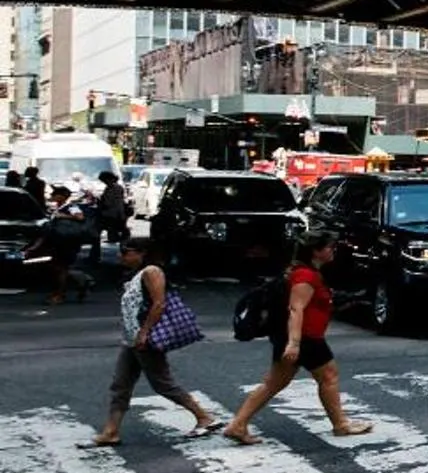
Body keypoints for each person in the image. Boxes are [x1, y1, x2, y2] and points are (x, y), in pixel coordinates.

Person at [222, 233, 372, 445]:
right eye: (329, 247)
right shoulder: (305, 276)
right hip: (305, 337)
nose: (333, 250)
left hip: (294, 336)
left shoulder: (304, 273)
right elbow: (296, 308)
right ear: (316, 251)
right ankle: (340, 424)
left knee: (274, 383)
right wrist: (294, 343)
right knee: (328, 376)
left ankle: (238, 425)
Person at [84, 238, 222, 447]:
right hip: (131, 339)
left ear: (142, 253)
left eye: (126, 251)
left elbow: (159, 304)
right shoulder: (136, 274)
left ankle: (204, 417)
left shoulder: (152, 271)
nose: (122, 256)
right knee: (121, 385)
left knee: (163, 383)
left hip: (144, 339)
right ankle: (111, 431)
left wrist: (144, 333)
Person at [94, 172, 131, 269]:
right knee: (118, 234)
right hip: (112, 215)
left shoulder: (115, 188)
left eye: (104, 180)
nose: (104, 182)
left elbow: (112, 203)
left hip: (112, 215)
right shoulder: (111, 188)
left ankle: (124, 256)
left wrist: (100, 201)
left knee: (120, 235)